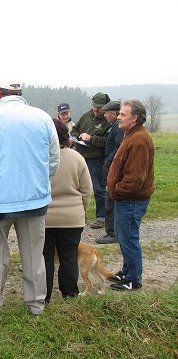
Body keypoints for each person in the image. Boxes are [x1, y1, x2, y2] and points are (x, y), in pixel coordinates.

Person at [0, 81, 60, 316]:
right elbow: (53, 162)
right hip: (34, 200)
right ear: (19, 93)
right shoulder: (43, 119)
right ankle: (36, 305)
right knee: (34, 256)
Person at [43, 119, 93, 303]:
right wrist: (81, 210)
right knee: (69, 257)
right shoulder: (77, 158)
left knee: (45, 258)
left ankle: (43, 297)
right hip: (73, 218)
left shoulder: (41, 158)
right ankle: (70, 296)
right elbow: (87, 191)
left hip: (45, 218)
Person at [107, 99, 155, 291]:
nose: (119, 117)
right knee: (124, 236)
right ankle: (126, 271)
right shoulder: (131, 134)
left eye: (123, 114)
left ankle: (133, 279)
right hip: (126, 199)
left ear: (135, 118)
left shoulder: (139, 140)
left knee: (129, 238)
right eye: (119, 113)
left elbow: (135, 178)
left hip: (131, 199)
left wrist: (117, 191)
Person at [70, 92, 111, 229]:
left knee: (99, 189)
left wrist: (91, 139)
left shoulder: (108, 121)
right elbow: (74, 130)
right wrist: (78, 137)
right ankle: (79, 214)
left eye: (99, 107)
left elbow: (108, 142)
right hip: (81, 157)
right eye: (94, 106)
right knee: (76, 187)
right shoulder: (86, 116)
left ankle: (101, 217)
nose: (96, 109)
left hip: (97, 159)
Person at [96, 101, 124, 244]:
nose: (105, 115)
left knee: (110, 200)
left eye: (106, 113)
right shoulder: (114, 126)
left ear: (114, 114)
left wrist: (108, 161)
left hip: (112, 166)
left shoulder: (118, 128)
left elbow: (119, 147)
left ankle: (112, 233)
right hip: (110, 165)